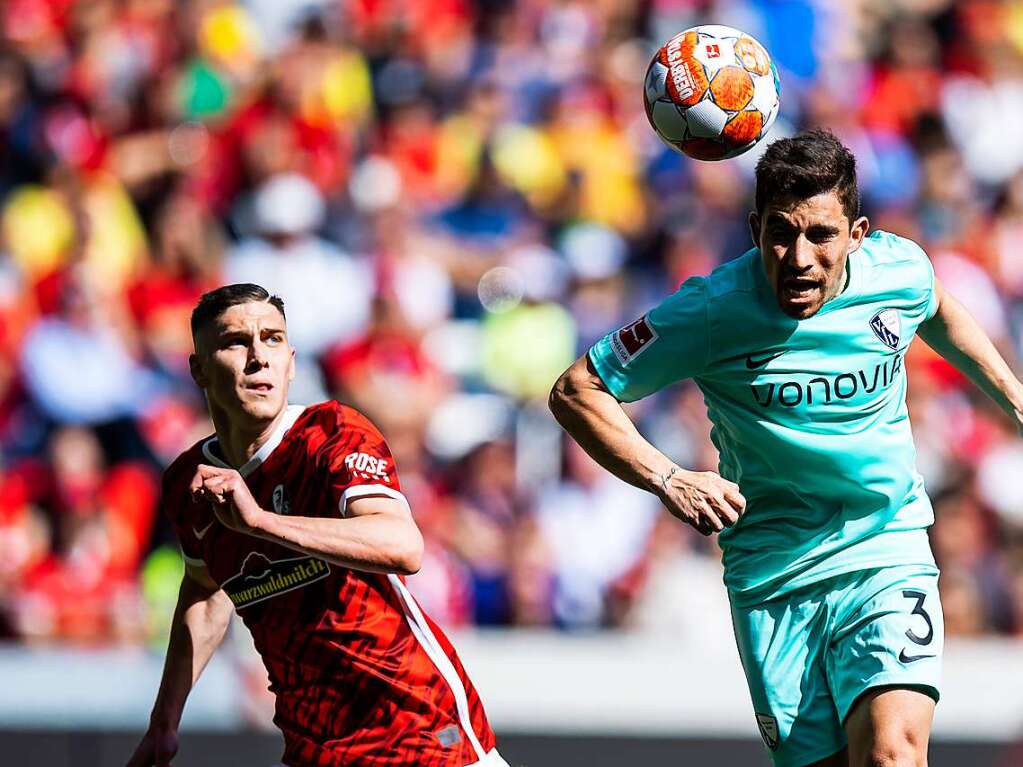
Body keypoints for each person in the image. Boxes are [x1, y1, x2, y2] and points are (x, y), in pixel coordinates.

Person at [549, 129, 1023, 767]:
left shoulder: (899, 269)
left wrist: (1014, 398)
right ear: (754, 228)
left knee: (892, 753)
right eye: (781, 232)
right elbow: (578, 390)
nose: (799, 257)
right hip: (776, 574)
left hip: (886, 546)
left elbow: (936, 307)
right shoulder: (713, 310)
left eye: (821, 236)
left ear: (857, 233)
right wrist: (668, 478)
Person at [127, 283, 505, 767]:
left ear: (292, 361)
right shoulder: (190, 483)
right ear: (199, 368)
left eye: (272, 339)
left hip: (420, 733)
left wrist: (261, 522)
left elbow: (403, 545)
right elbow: (204, 592)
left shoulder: (331, 435)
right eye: (236, 342)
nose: (258, 357)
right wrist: (164, 724)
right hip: (315, 747)